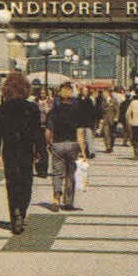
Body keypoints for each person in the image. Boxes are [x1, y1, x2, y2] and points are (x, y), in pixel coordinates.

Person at [0, 70, 44, 234]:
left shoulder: (3, 108)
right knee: (26, 182)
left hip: (9, 149)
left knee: (12, 182)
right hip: (27, 149)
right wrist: (39, 151)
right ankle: (22, 210)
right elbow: (38, 132)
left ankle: (14, 215)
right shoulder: (33, 108)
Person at [44, 82, 90, 211]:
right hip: (72, 144)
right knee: (71, 174)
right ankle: (68, 202)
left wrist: (49, 144)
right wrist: (83, 150)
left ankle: (56, 199)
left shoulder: (54, 109)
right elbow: (80, 132)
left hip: (57, 144)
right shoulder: (77, 109)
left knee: (57, 174)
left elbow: (48, 131)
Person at [100, 87, 121, 153]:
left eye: (104, 93)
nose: (103, 94)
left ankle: (111, 146)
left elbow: (117, 110)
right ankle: (107, 147)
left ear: (108, 93)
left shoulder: (114, 101)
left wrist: (116, 117)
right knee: (106, 134)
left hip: (112, 120)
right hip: (105, 119)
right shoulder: (103, 101)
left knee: (112, 134)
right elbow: (101, 110)